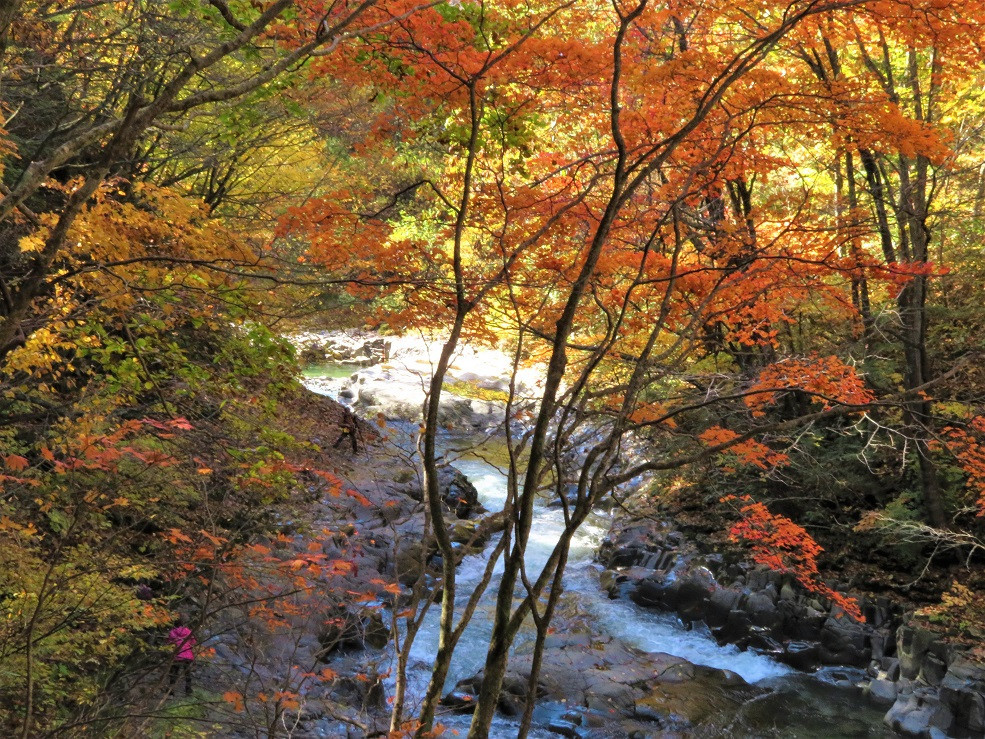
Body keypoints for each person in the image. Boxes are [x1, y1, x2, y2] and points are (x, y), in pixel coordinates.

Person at [167, 615, 196, 696]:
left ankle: (171, 692)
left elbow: (169, 643)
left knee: (174, 673)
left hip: (177, 656)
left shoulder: (172, 632)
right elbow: (193, 641)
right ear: (183, 623)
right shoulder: (188, 631)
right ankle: (188, 690)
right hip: (188, 655)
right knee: (187, 674)